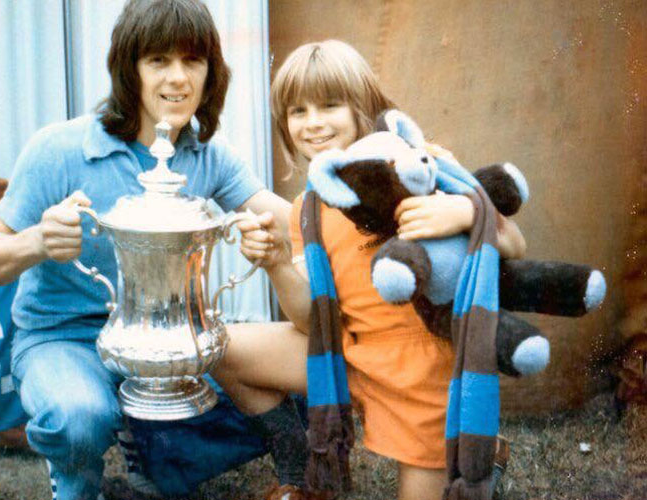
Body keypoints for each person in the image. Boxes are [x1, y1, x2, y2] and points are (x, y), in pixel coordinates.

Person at [0, 1, 301, 499]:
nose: (178, 78)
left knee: (234, 399)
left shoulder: (208, 154)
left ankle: (155, 452)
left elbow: (292, 221)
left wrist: (363, 192)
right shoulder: (59, 149)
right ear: (130, 70)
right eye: (158, 61)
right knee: (80, 419)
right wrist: (36, 241)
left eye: (193, 61)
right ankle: (78, 476)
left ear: (212, 74)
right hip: (65, 338)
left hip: (163, 337)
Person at [215, 40, 525, 500]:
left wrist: (463, 213)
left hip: (420, 371)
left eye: (329, 105)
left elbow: (516, 245)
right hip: (347, 358)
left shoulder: (420, 163)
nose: (313, 122)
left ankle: (485, 454)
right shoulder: (309, 208)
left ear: (364, 108)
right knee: (220, 347)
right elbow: (311, 321)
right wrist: (277, 263)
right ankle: (300, 476)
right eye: (297, 111)